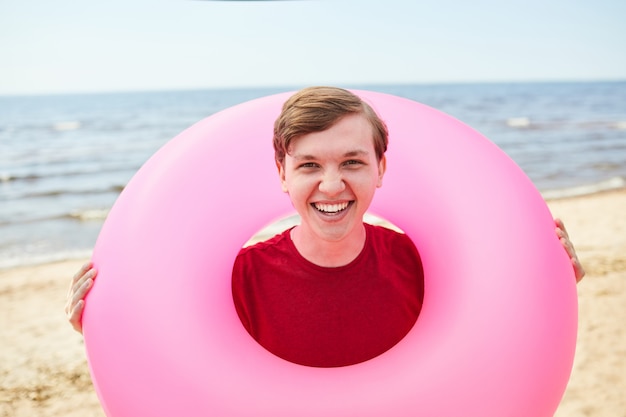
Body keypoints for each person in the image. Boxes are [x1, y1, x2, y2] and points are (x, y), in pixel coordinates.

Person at [65, 86, 585, 367]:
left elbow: (490, 350)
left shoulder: (421, 265)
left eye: (352, 162)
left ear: (382, 169)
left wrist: (547, 287)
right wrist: (111, 330)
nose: (331, 185)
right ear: (282, 175)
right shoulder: (240, 278)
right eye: (310, 165)